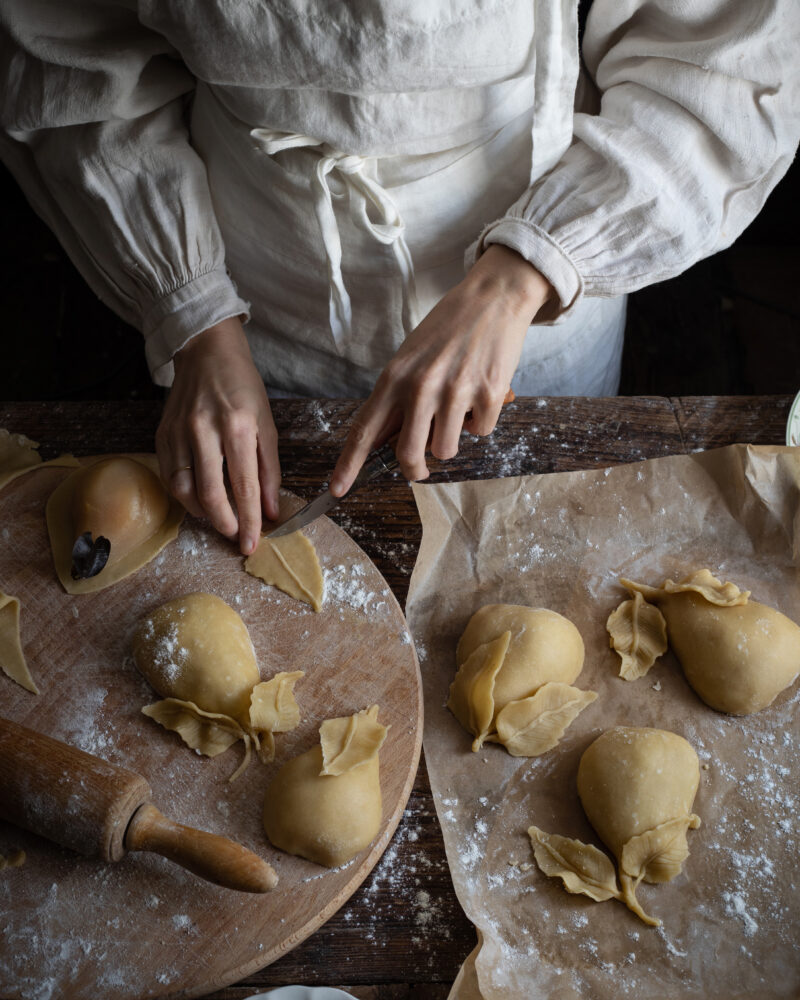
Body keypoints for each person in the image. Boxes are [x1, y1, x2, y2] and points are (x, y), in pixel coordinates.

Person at [1, 0, 797, 557]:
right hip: (250, 285)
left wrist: (527, 270)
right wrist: (193, 313)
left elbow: (721, 60)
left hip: (539, 279)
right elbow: (68, 54)